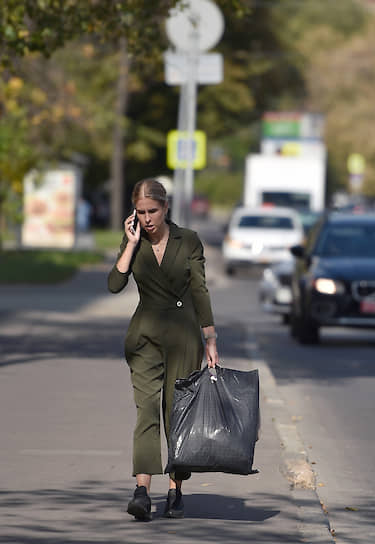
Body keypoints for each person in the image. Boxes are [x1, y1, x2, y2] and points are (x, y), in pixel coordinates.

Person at [108, 178, 219, 521]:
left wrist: (210, 337)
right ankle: (142, 491)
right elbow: (114, 284)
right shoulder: (135, 242)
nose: (147, 219)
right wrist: (129, 244)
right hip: (144, 336)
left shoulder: (189, 240)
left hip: (184, 336)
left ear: (165, 208)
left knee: (176, 415)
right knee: (146, 412)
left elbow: (199, 289)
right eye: (140, 212)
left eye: (152, 211)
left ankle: (175, 490)